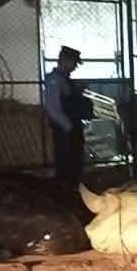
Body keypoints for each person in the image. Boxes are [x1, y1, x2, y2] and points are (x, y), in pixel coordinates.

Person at [42, 45, 87, 188]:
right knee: (66, 166)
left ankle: (71, 190)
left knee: (74, 165)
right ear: (65, 60)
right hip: (64, 130)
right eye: (74, 63)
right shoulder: (54, 80)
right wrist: (69, 127)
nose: (75, 67)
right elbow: (53, 108)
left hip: (71, 128)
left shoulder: (64, 80)